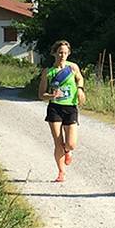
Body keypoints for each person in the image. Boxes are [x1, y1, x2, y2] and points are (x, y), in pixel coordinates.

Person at [38, 40, 85, 183]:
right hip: (55, 108)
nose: (62, 55)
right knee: (58, 142)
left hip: (70, 107)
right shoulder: (48, 72)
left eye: (65, 53)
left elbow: (80, 79)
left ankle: (68, 151)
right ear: (54, 53)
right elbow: (41, 95)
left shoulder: (72, 67)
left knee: (71, 143)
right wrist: (52, 95)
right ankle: (61, 172)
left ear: (68, 53)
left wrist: (80, 89)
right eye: (60, 52)